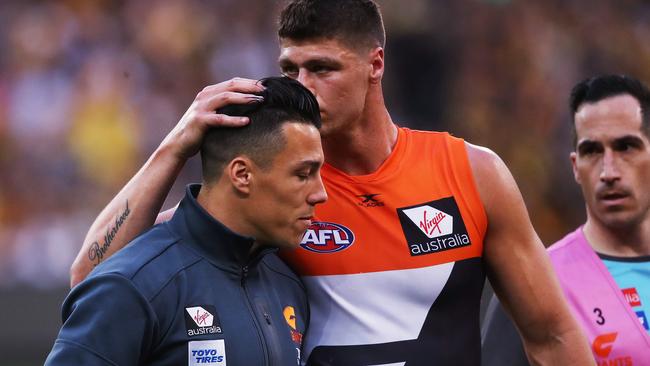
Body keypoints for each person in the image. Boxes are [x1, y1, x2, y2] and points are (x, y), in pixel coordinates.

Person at [69, 1, 594, 364]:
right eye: (289, 69)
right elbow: (98, 276)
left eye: (321, 68)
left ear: (375, 64)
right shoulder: (276, 193)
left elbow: (552, 336)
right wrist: (175, 144)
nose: (302, 88)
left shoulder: (470, 174)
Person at [46, 77, 326, 365]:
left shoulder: (287, 283)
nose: (321, 194)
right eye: (303, 174)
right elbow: (86, 274)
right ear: (242, 175)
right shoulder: (136, 285)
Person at [482, 74, 650, 365]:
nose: (609, 171)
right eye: (592, 151)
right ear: (575, 166)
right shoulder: (537, 284)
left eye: (626, 147)